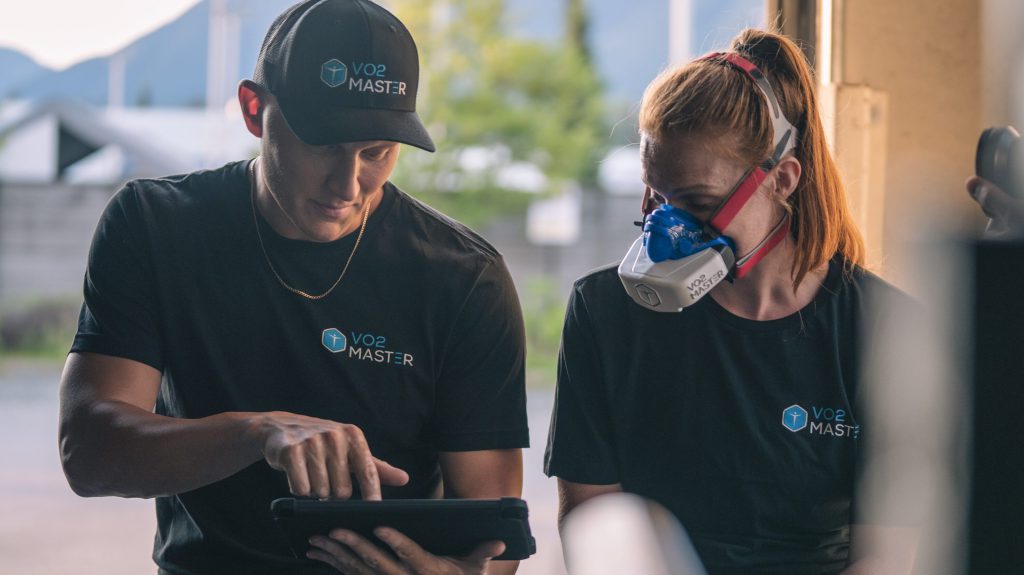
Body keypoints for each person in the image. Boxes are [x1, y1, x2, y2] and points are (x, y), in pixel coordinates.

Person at [57, 1, 528, 574]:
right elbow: (87, 453)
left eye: (377, 151)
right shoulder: (155, 225)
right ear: (255, 110)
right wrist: (254, 433)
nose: (349, 182)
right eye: (325, 145)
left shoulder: (463, 275)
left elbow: (493, 534)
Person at [544, 29, 916, 575]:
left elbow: (885, 554)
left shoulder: (882, 329)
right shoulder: (605, 312)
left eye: (697, 202)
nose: (666, 229)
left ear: (782, 180)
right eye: (655, 197)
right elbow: (592, 526)